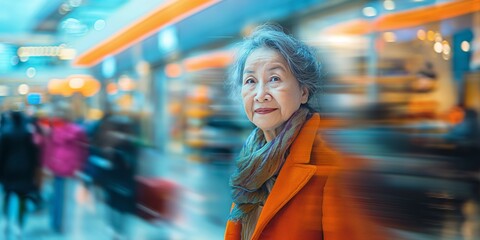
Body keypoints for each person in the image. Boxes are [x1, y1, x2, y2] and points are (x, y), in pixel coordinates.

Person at [224, 24, 392, 240]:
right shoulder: (252, 162)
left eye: (274, 79)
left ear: (303, 91)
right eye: (250, 81)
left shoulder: (337, 167)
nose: (260, 94)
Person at [0, 111, 41, 237]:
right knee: (23, 196)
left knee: (7, 195)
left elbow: (2, 154)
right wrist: (34, 171)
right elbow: (34, 154)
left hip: (9, 169)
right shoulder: (28, 133)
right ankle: (19, 224)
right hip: (25, 169)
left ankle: (7, 219)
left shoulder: (6, 133)